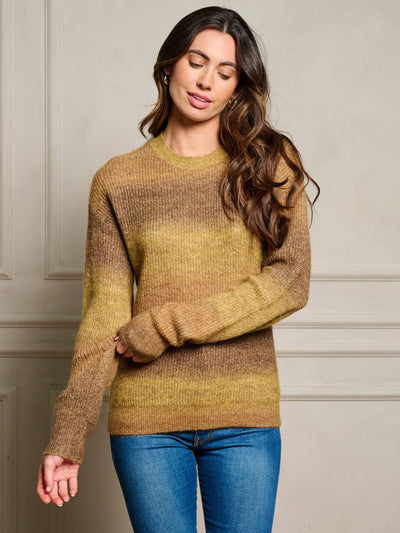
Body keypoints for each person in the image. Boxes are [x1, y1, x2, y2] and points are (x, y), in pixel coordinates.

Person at [37, 6, 319, 532]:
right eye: (197, 61)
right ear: (169, 65)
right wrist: (67, 436)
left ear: (237, 89)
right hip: (146, 421)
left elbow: (290, 282)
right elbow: (103, 315)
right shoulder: (118, 181)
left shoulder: (268, 166)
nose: (207, 81)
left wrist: (166, 326)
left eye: (226, 72)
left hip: (244, 413)